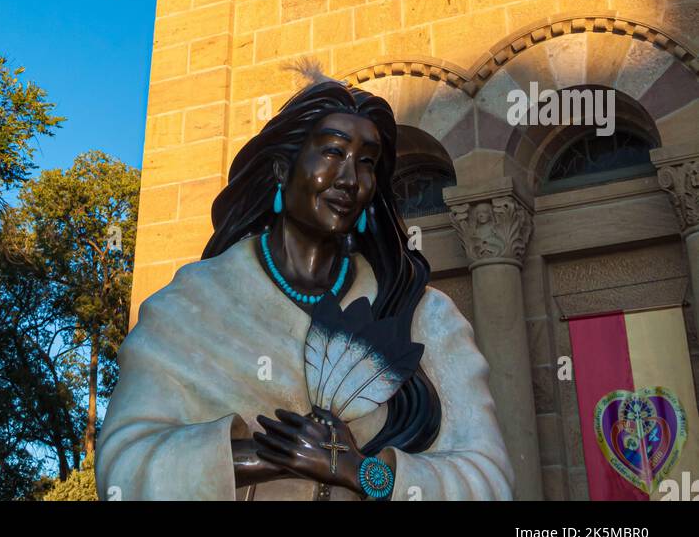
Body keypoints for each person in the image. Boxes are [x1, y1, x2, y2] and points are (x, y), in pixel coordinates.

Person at [96, 77, 514, 501]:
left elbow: (488, 482)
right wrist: (268, 455)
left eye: (366, 162)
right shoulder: (188, 307)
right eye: (333, 152)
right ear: (282, 168)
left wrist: (360, 472)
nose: (349, 178)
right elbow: (123, 467)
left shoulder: (427, 317)